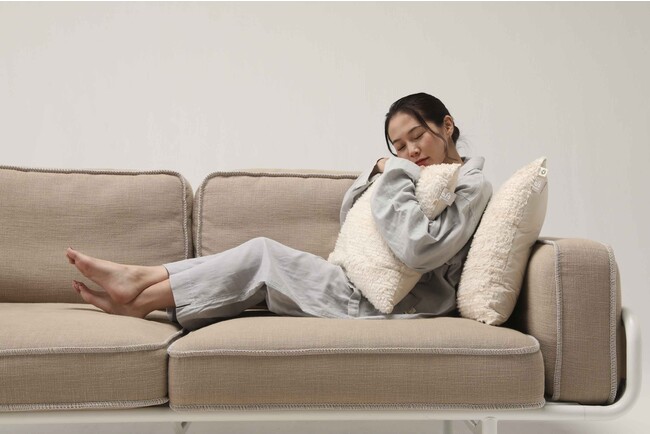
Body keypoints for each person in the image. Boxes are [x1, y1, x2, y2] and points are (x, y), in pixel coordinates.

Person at [66, 92, 492, 331]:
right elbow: (351, 214)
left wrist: (395, 172)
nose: (410, 151)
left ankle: (140, 290)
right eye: (398, 147)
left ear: (447, 125)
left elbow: (420, 249)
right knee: (260, 256)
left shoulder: (470, 184)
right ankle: (140, 285)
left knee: (262, 257)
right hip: (355, 283)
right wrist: (382, 171)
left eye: (417, 136)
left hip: (390, 303)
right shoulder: (419, 177)